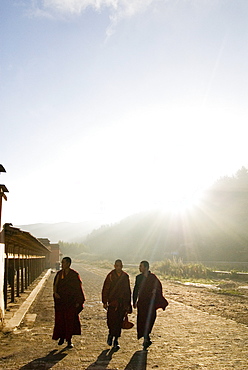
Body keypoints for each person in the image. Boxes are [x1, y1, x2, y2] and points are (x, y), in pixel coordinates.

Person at [133, 260, 168, 350]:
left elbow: (158, 287)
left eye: (141, 266)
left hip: (150, 303)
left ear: (146, 267)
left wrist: (155, 293)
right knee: (142, 320)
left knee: (151, 318)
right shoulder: (138, 278)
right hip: (142, 302)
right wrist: (134, 301)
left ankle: (147, 335)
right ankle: (145, 337)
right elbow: (136, 290)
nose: (139, 268)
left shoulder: (153, 278)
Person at [52, 256, 85, 348]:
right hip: (61, 302)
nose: (62, 265)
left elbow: (78, 288)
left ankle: (69, 340)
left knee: (70, 321)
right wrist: (55, 293)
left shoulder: (74, 275)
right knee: (61, 320)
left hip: (70, 302)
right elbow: (55, 285)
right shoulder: (59, 274)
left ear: (69, 264)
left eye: (64, 263)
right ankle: (61, 337)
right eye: (62, 263)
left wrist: (79, 301)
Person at [102, 259, 132, 349]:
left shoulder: (125, 276)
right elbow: (106, 289)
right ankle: (110, 334)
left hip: (122, 304)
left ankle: (116, 340)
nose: (118, 268)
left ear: (122, 266)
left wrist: (128, 304)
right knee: (111, 321)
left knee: (119, 322)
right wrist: (105, 301)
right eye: (117, 266)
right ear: (114, 266)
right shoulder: (110, 276)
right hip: (112, 303)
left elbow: (128, 290)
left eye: (120, 266)